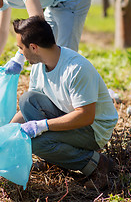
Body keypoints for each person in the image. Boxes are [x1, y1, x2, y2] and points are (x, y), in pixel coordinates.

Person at [9, 16, 118, 189]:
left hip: (94, 129)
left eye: (21, 48)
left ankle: (96, 163)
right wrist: (7, 132)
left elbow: (86, 116)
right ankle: (57, 158)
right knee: (27, 100)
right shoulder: (39, 65)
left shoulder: (75, 69)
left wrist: (42, 126)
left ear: (34, 47)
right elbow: (29, 109)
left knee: (36, 143)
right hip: (68, 115)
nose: (21, 53)